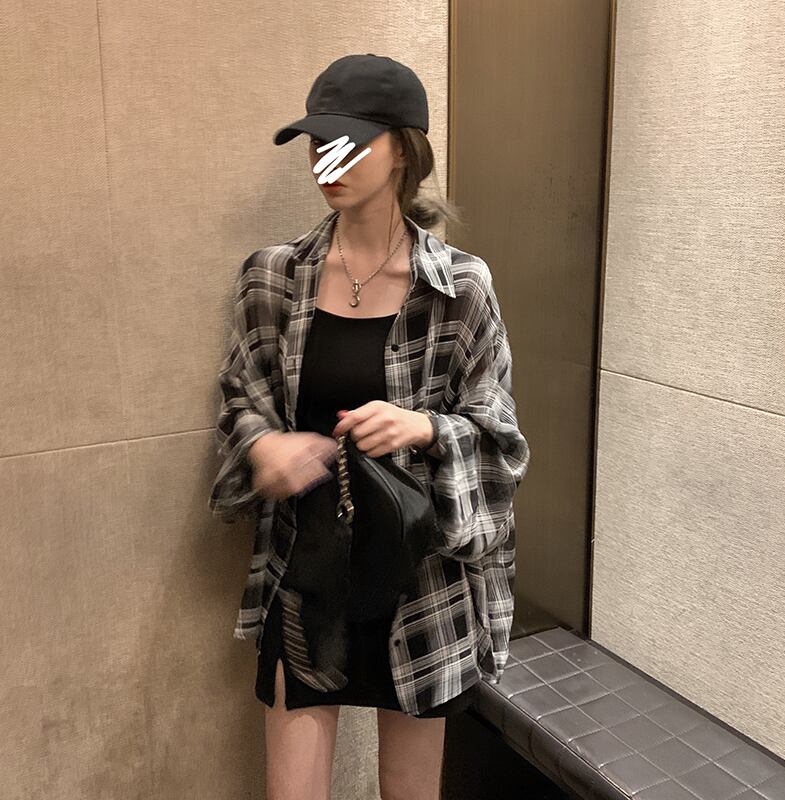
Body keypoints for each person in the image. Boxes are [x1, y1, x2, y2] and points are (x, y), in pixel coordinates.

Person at [208, 54, 530, 800]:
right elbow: (239, 400)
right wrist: (265, 446)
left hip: (419, 582)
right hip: (305, 568)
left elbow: (501, 441)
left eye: (350, 142)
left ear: (403, 151)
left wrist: (425, 429)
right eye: (317, 143)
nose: (328, 160)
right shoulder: (272, 277)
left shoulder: (459, 287)